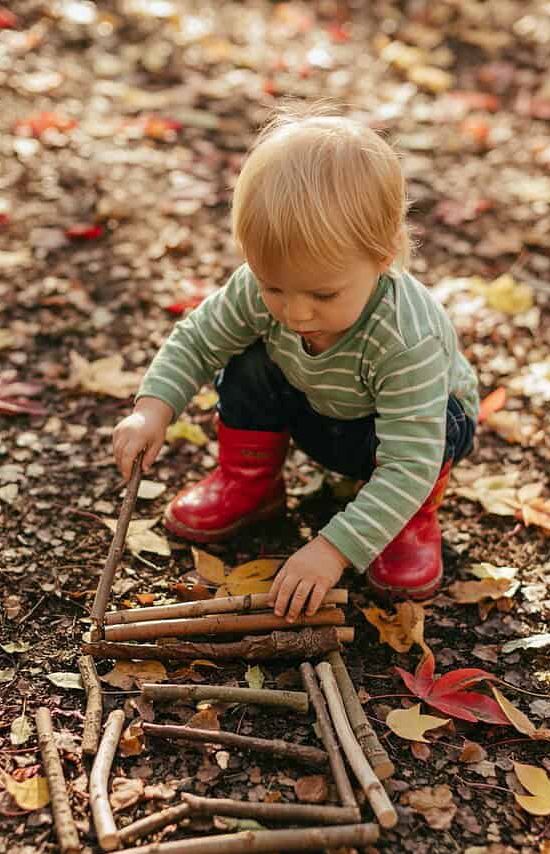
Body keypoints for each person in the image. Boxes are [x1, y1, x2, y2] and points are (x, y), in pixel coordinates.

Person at [113, 105, 479, 625]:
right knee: (249, 357)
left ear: (384, 256)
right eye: (273, 286)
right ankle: (251, 482)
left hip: (405, 442)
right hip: (318, 409)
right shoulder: (264, 292)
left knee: (430, 435)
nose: (296, 311)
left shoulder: (405, 337)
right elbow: (198, 339)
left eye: (324, 293)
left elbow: (409, 462)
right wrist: (152, 409)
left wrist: (331, 550)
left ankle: (408, 522)